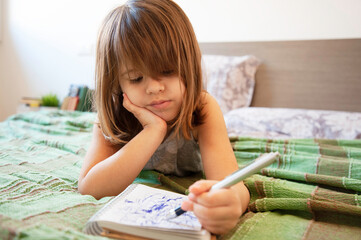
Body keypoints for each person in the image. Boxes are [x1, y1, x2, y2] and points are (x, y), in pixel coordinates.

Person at [78, 0, 250, 234]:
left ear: (188, 66)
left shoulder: (202, 107)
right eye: (136, 78)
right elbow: (89, 187)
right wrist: (153, 130)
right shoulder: (114, 114)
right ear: (116, 82)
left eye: (167, 71)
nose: (154, 88)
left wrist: (231, 202)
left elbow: (231, 184)